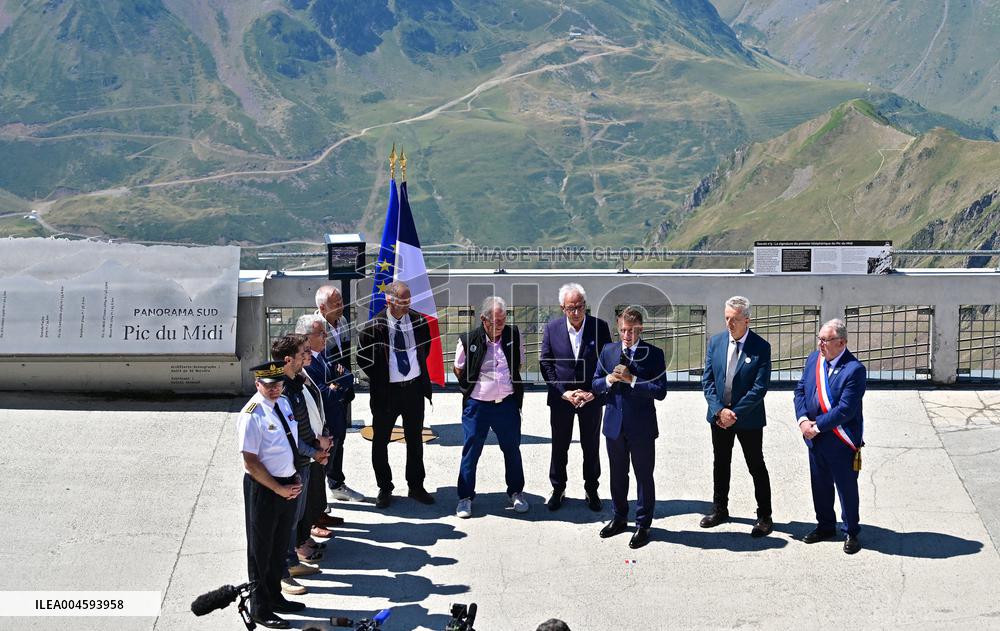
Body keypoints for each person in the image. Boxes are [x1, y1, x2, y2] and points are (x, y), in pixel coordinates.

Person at [592, 307, 666, 549]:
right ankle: (619, 517)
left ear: (640, 329)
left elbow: (660, 391)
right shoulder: (608, 351)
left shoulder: (654, 354)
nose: (626, 335)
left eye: (632, 330)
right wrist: (609, 380)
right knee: (617, 475)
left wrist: (631, 380)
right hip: (614, 425)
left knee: (644, 476)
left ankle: (643, 524)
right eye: (622, 330)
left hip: (642, 427)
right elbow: (594, 384)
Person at [237, 362, 304, 629]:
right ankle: (259, 608)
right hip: (265, 489)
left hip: (287, 483)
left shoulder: (284, 404)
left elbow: (289, 442)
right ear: (258, 385)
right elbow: (250, 462)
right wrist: (278, 488)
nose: (275, 389)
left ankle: (275, 596)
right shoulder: (251, 414)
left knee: (278, 546)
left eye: (278, 384)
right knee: (260, 551)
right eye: (269, 386)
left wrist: (294, 475)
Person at [357, 281, 435, 508]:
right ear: (389, 301)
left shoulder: (419, 321)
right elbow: (363, 358)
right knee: (381, 440)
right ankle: (385, 487)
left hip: (413, 390)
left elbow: (425, 350)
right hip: (386, 393)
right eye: (402, 301)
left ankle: (416, 485)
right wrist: (381, 376)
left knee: (415, 439)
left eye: (409, 301)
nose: (406, 305)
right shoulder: (374, 326)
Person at [700, 296, 773, 537]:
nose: (730, 324)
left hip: (748, 419)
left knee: (756, 465)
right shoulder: (716, 342)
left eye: (735, 320)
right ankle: (720, 509)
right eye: (727, 319)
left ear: (747, 320)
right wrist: (719, 410)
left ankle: (764, 516)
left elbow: (759, 388)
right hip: (719, 417)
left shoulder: (761, 347)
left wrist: (735, 413)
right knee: (720, 463)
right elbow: (708, 380)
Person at [793, 318, 867, 554]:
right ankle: (825, 525)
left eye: (825, 340)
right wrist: (803, 419)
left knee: (846, 488)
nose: (820, 344)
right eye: (820, 339)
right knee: (820, 484)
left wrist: (817, 426)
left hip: (840, 438)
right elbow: (801, 390)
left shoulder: (854, 370)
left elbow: (846, 409)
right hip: (814, 437)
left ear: (841, 342)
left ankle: (851, 532)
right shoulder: (814, 359)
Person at [453, 296, 528, 518]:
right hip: (478, 407)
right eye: (496, 322)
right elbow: (459, 369)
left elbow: (518, 364)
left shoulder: (514, 335)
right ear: (484, 320)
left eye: (503, 320)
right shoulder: (468, 339)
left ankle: (516, 492)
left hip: (506, 404)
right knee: (471, 451)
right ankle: (465, 498)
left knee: (512, 449)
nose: (501, 326)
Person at [539, 283, 611, 511]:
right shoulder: (552, 328)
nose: (577, 312)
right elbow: (546, 363)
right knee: (559, 446)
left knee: (591, 446)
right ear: (562, 308)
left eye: (580, 307)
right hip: (562, 400)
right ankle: (558, 488)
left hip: (591, 398)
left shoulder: (600, 327)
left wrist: (594, 392)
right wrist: (563, 392)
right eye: (571, 308)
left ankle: (592, 489)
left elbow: (607, 362)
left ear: (585, 305)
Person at [272, 334, 330, 596]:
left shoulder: (296, 382)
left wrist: (318, 448)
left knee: (295, 519)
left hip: (305, 460)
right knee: (284, 523)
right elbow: (290, 436)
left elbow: (305, 422)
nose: (306, 356)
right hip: (291, 465)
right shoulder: (281, 389)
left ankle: (292, 564)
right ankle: (282, 574)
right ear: (288, 359)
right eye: (301, 353)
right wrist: (315, 452)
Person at [299, 314, 355, 538]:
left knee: (322, 472)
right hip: (320, 429)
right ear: (306, 337)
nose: (325, 337)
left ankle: (320, 512)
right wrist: (334, 386)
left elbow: (347, 377)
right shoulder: (306, 364)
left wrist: (336, 385)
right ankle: (312, 520)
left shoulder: (322, 356)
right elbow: (323, 394)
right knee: (313, 477)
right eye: (320, 334)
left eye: (325, 333)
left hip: (333, 425)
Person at [315, 284, 363, 502]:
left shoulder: (342, 322)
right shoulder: (313, 327)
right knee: (324, 442)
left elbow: (344, 357)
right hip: (325, 396)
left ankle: (336, 484)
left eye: (341, 302)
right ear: (322, 308)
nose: (341, 307)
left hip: (342, 392)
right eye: (335, 304)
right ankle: (318, 496)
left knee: (339, 439)